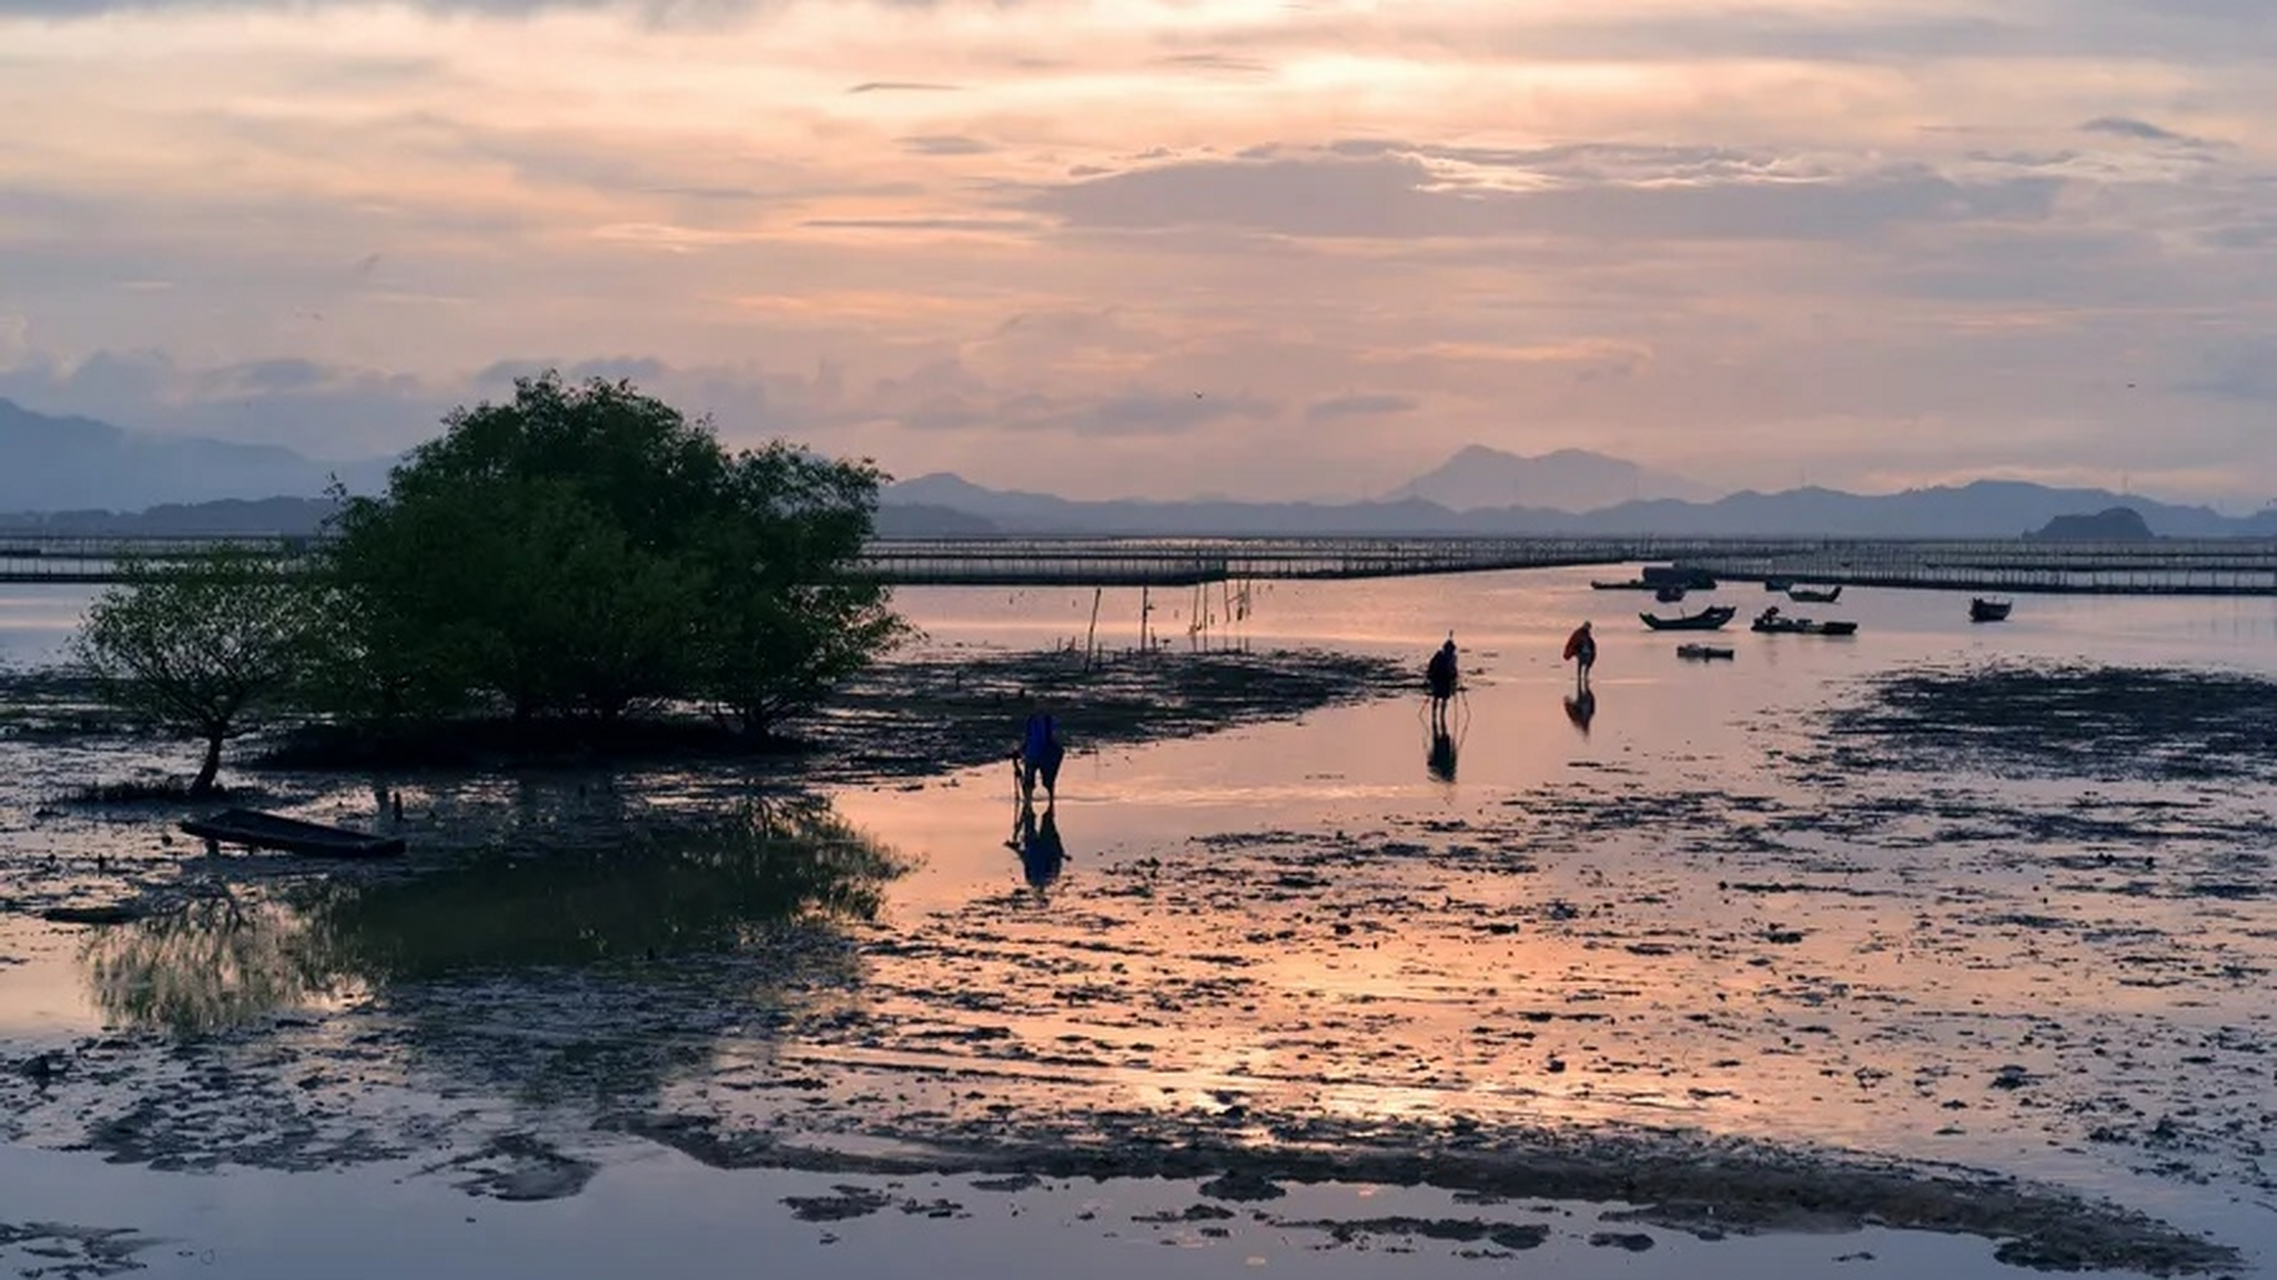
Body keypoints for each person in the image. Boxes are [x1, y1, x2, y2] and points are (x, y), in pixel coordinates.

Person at [1017, 711, 1064, 806]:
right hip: (1031, 755)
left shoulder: (1049, 720)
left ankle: (1050, 805)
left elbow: (1053, 738)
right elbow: (1028, 737)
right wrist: (1020, 750)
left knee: (1048, 783)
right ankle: (1028, 804)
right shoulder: (1031, 720)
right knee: (1029, 783)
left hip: (1045, 757)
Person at [1425, 635, 1459, 723]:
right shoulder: (1439, 655)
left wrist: (1455, 675)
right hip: (1439, 679)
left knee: (1443, 698)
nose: (1451, 651)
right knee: (1437, 697)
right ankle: (1435, 714)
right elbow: (1431, 666)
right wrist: (1430, 675)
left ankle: (1441, 715)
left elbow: (1453, 669)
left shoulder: (1452, 657)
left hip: (1446, 680)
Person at [1563, 620, 1596, 690]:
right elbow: (1573, 642)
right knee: (1581, 664)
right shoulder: (1578, 633)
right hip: (1580, 652)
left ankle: (1585, 676)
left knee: (1586, 665)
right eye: (1588, 627)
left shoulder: (1587, 634)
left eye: (1589, 627)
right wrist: (1573, 651)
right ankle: (1580, 677)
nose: (1588, 628)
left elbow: (1591, 644)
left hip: (1586, 652)